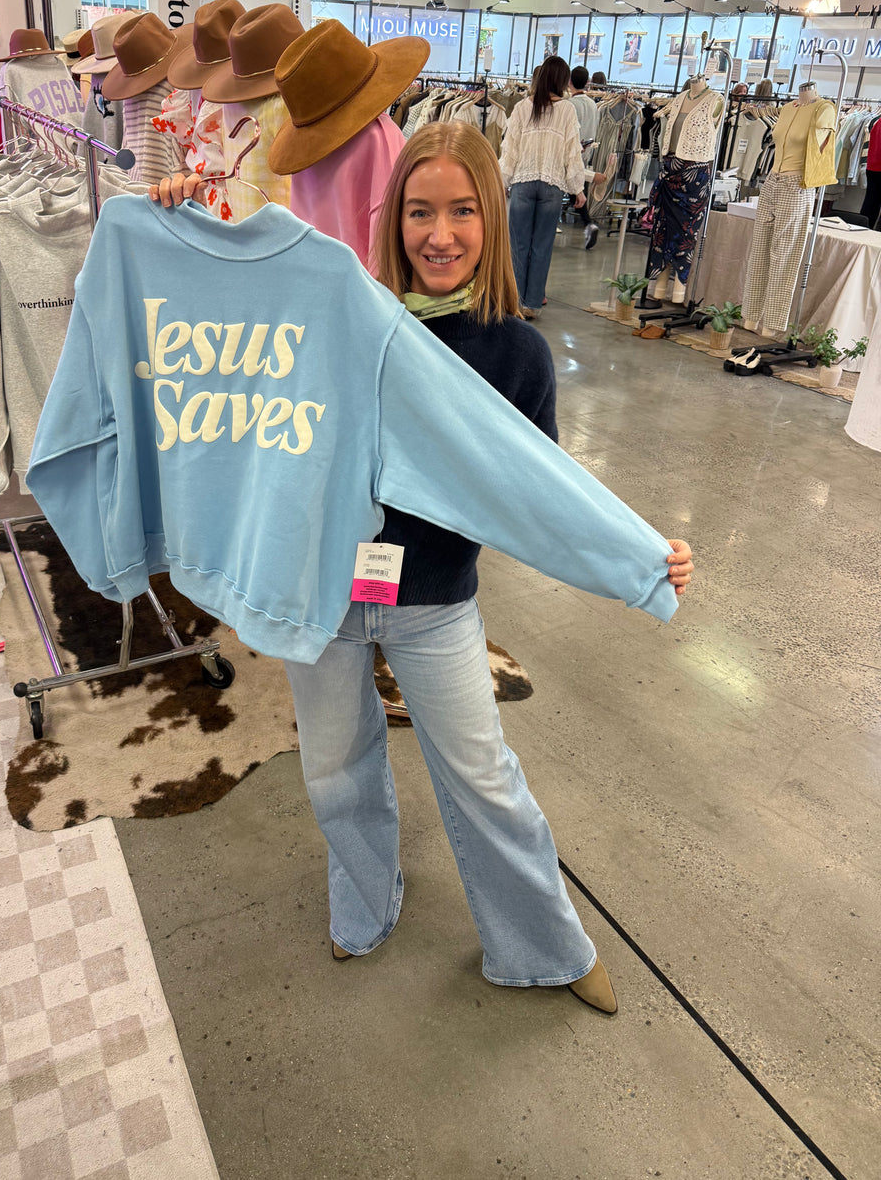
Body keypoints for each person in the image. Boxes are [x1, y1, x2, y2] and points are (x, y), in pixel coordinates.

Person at [282, 122, 694, 1015]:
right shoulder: (349, 320)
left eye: (463, 211)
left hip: (433, 604)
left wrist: (641, 553)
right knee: (333, 768)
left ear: (492, 220)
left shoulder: (517, 353)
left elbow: (541, 495)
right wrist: (170, 222)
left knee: (484, 779)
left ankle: (542, 942)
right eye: (420, 211)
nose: (439, 234)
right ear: (392, 221)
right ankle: (363, 896)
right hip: (319, 594)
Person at [499, 56, 586, 318]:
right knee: (542, 247)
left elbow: (509, 148)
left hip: (523, 184)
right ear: (561, 80)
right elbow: (573, 152)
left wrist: (503, 179)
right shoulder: (567, 110)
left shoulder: (523, 107)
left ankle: (514, 302)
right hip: (552, 187)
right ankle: (532, 304)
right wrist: (577, 188)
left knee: (518, 245)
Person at [567, 66, 601, 251]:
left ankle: (588, 223)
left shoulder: (571, 105)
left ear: (569, 82)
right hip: (587, 152)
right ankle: (588, 224)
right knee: (577, 192)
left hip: (575, 152)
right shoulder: (593, 104)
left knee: (572, 191)